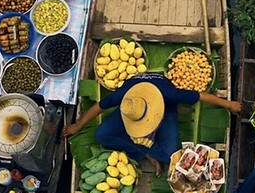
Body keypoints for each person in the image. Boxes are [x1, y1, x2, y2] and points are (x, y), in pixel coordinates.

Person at [63, 73, 241, 174]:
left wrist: (229, 104)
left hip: (165, 107)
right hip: (134, 107)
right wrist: (78, 125)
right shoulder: (125, 97)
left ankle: (146, 149)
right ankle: (145, 152)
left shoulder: (170, 94)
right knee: (101, 135)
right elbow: (99, 106)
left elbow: (200, 96)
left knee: (169, 155)